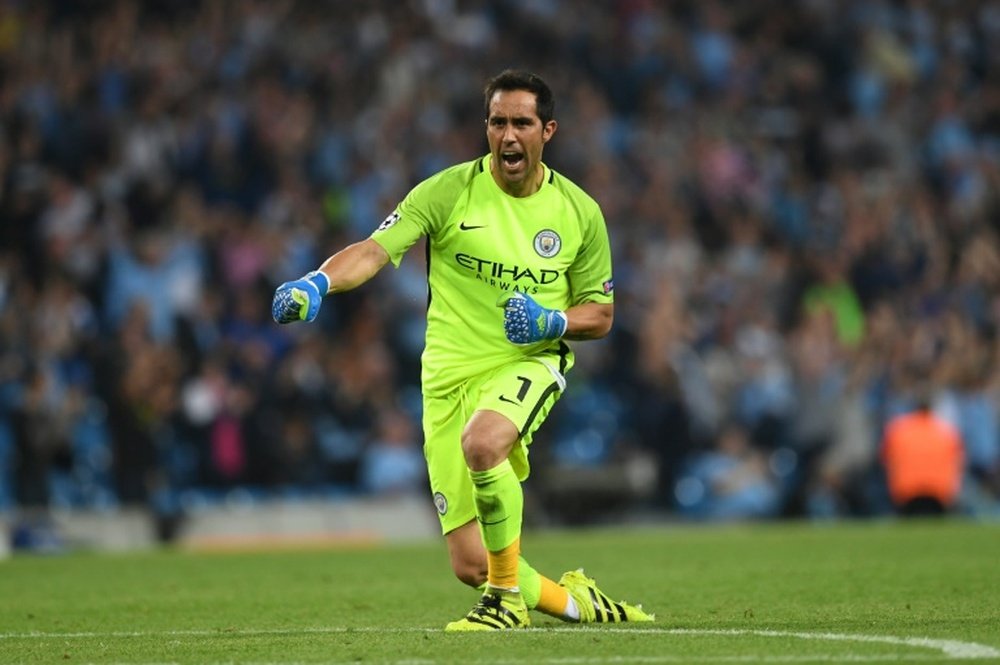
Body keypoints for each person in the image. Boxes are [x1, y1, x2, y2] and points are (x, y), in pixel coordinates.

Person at [272, 70, 652, 631]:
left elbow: (601, 315)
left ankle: (504, 605)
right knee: (473, 563)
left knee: (485, 441)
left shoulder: (579, 213)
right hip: (447, 380)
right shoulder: (446, 192)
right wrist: (317, 283)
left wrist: (552, 320)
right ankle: (577, 603)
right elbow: (375, 250)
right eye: (498, 122)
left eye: (522, 122)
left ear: (548, 130)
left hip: (528, 362)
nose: (509, 135)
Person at [880, 390, 964, 516]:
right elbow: (959, 461)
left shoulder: (898, 429)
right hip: (940, 490)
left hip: (906, 490)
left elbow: (885, 458)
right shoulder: (947, 431)